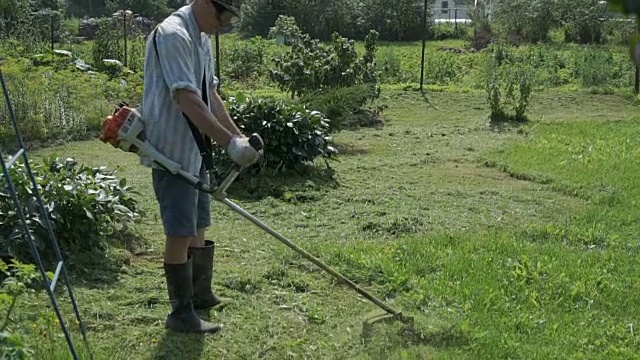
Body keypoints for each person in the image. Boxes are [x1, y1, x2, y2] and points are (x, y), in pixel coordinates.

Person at [140, 0, 259, 334]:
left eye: (231, 18)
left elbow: (209, 93)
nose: (224, 23)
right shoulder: (174, 34)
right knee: (180, 231)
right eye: (223, 14)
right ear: (206, 2)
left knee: (199, 222)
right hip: (172, 151)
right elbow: (186, 99)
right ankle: (180, 313)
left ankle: (200, 293)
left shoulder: (202, 37)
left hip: (195, 149)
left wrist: (239, 139)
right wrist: (226, 143)